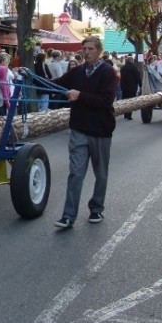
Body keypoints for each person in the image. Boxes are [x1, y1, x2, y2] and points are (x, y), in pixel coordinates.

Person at [51, 36, 117, 228]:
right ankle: (68, 215)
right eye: (84, 48)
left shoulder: (108, 73)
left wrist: (80, 96)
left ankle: (96, 208)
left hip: (101, 130)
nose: (86, 52)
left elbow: (106, 101)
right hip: (79, 128)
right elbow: (58, 83)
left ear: (99, 51)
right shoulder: (77, 72)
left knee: (101, 173)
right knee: (76, 173)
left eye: (90, 49)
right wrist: (32, 77)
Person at [119, 56, 142, 120]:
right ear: (131, 61)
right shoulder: (134, 67)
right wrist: (140, 85)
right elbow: (138, 77)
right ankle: (129, 115)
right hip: (132, 86)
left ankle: (125, 114)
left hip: (124, 86)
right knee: (131, 100)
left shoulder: (123, 68)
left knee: (125, 100)